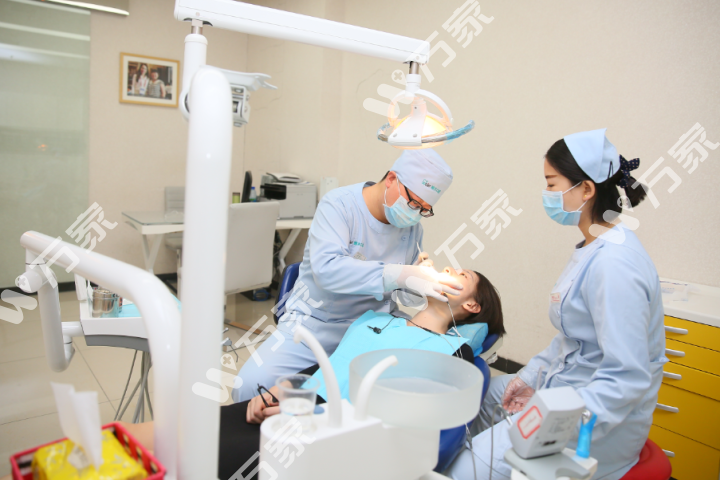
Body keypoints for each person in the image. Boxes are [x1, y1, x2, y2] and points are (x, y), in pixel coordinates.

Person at [122, 265, 505, 480]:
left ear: (472, 305)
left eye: (460, 274)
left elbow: (417, 427)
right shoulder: (377, 320)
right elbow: (327, 365)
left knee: (189, 459)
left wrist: (311, 411)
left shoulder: (454, 355)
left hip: (330, 433)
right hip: (293, 405)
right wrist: (281, 389)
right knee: (168, 431)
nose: (447, 270)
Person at [447, 129, 667, 480]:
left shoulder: (615, 266)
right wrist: (528, 378)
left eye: (552, 184)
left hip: (597, 424)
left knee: (462, 470)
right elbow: (571, 338)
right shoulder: (593, 247)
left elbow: (626, 378)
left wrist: (549, 421)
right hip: (568, 387)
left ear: (586, 189)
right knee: (474, 395)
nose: (547, 193)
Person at [233, 149, 463, 402]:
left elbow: (401, 295)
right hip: (317, 324)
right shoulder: (339, 205)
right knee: (249, 387)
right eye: (413, 204)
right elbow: (326, 270)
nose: (415, 214)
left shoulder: (412, 229)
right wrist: (399, 274)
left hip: (374, 326)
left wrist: (417, 283)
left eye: (424, 210)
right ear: (391, 179)